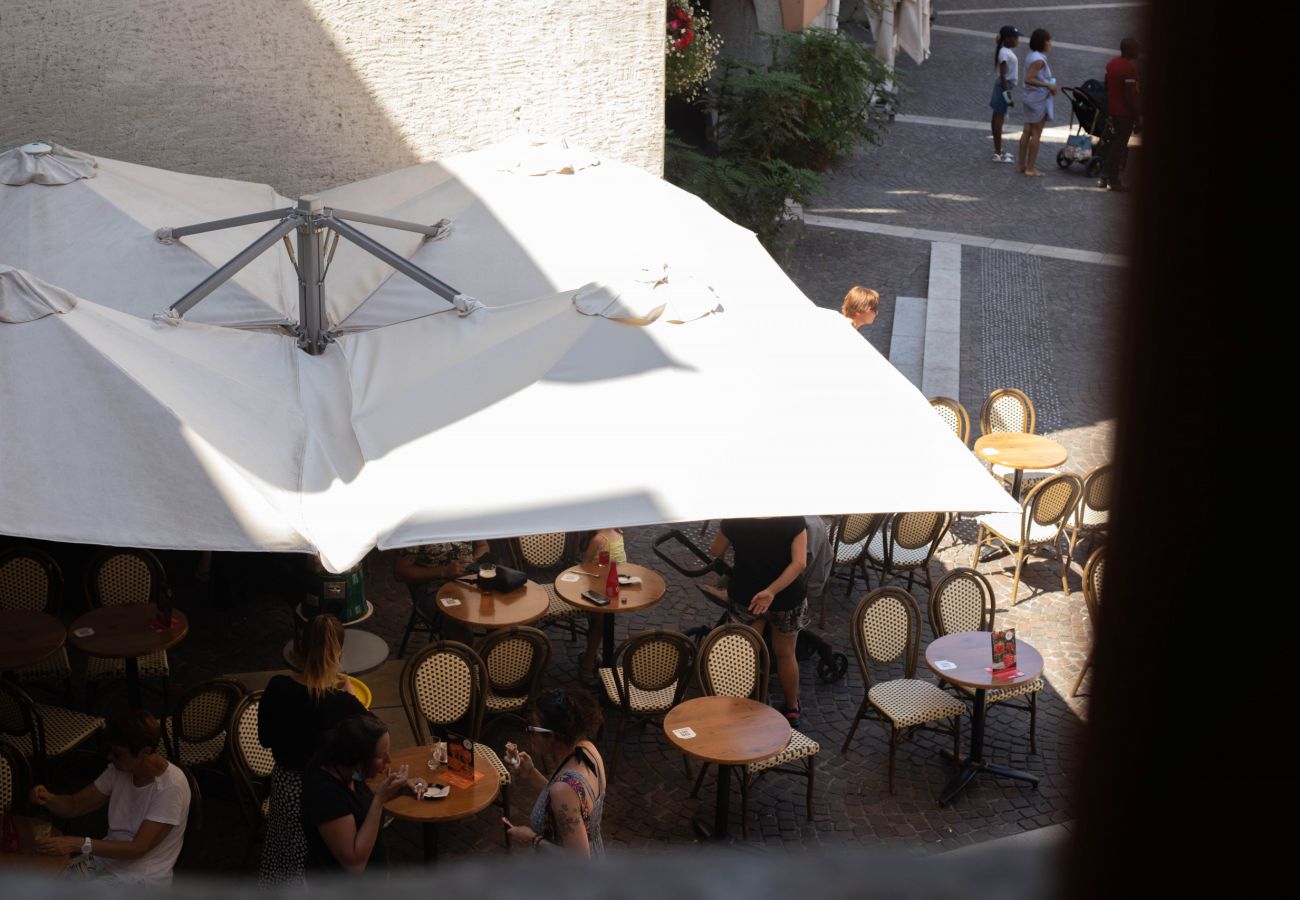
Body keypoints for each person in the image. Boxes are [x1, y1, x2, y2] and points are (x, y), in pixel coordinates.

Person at [258, 613, 367, 887]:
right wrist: (352, 701)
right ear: (338, 652)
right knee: (320, 866)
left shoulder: (277, 687)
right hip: (325, 794)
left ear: (300, 647)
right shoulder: (343, 705)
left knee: (285, 862)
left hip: (284, 788)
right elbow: (369, 744)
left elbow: (265, 739)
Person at [31, 710, 190, 886]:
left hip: (141, 878)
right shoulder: (120, 770)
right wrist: (49, 798)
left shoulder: (171, 787)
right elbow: (74, 805)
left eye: (118, 754)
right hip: (105, 861)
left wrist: (78, 844)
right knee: (43, 883)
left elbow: (138, 848)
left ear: (145, 751)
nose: (110, 757)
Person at [710, 517, 808, 725]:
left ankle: (741, 704)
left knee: (744, 653)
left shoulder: (734, 516)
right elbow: (799, 562)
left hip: (746, 595)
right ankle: (792, 708)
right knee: (786, 654)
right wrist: (771, 591)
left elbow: (716, 551)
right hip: (786, 597)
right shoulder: (793, 518)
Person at [503, 687, 606, 857]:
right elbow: (569, 800)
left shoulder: (563, 789)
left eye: (532, 730)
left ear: (551, 736)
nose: (530, 735)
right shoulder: (588, 750)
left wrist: (532, 838)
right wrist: (531, 773)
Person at [301, 714, 405, 876]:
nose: (389, 760)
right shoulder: (325, 796)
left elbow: (355, 800)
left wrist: (400, 787)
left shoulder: (349, 772)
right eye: (380, 756)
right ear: (358, 758)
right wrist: (379, 801)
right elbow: (355, 864)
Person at [394, 539, 491, 644]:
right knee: (461, 632)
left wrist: (472, 560)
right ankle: (461, 658)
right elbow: (400, 573)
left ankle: (494, 656)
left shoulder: (466, 522)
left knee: (500, 620)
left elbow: (482, 546)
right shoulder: (419, 530)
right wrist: (444, 571)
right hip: (434, 590)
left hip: (470, 583)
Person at [576, 528, 627, 685]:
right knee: (600, 625)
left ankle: (589, 659)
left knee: (600, 625)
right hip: (600, 589)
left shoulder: (606, 537)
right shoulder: (611, 536)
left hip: (606, 587)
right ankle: (588, 662)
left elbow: (584, 565)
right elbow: (585, 566)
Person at [1101, 37, 1141, 192]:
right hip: (1124, 114)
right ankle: (1113, 180)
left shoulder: (1112, 64)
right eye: (1137, 49)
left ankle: (1104, 177)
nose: (1139, 52)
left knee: (1113, 145)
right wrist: (1137, 118)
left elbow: (1106, 86)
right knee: (1119, 147)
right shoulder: (1129, 70)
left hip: (1113, 111)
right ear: (1130, 50)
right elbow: (1130, 97)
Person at [1017, 29, 1057, 177]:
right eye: (1049, 41)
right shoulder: (1039, 60)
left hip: (1029, 98)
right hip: (1037, 100)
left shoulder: (1031, 55)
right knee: (1036, 134)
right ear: (1043, 43)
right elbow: (1029, 78)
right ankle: (1030, 168)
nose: (1050, 43)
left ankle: (1021, 165)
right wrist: (1048, 85)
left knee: (1027, 131)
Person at [990, 26, 1024, 162]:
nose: (1018, 40)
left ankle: (998, 150)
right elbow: (1003, 76)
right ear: (1008, 39)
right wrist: (1007, 94)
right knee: (998, 119)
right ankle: (997, 152)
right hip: (1004, 86)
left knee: (997, 118)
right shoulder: (1004, 53)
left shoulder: (1005, 51)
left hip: (1004, 86)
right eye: (1016, 38)